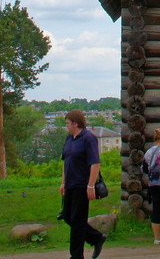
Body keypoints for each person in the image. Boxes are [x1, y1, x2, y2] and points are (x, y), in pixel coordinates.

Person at [60, 110, 107, 259]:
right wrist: (63, 182)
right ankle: (96, 238)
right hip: (70, 184)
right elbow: (65, 161)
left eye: (67, 123)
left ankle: (76, 256)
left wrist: (90, 185)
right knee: (67, 216)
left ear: (75, 123)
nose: (66, 126)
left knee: (77, 220)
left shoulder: (88, 138)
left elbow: (94, 163)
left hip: (82, 184)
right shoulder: (69, 139)